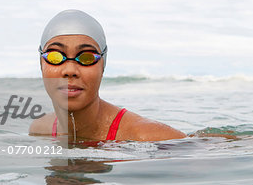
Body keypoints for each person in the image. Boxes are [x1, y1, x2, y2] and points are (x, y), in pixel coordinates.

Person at [29, 9, 186, 142]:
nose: (70, 70)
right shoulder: (40, 130)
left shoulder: (146, 137)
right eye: (55, 56)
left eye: (86, 57)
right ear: (41, 64)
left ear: (103, 66)